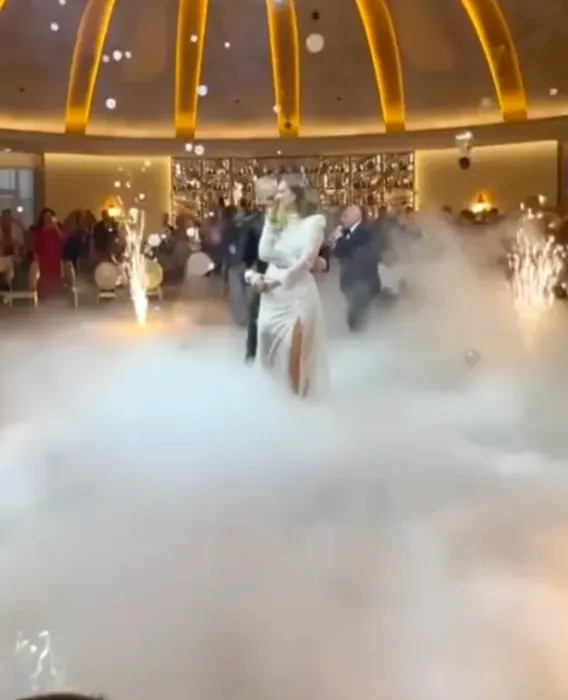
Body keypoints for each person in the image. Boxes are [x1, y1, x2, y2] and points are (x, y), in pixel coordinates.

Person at [252, 173, 328, 397]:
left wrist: (281, 279)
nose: (277, 196)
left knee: (295, 354)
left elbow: (307, 261)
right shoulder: (275, 220)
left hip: (298, 294)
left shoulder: (314, 222)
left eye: (282, 191)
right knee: (266, 349)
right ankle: (273, 399)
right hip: (272, 295)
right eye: (277, 191)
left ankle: (297, 402)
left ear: (296, 194)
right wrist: (271, 221)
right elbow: (264, 253)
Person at [238, 176, 277, 360]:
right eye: (266, 195)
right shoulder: (252, 224)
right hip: (264, 282)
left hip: (292, 283)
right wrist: (251, 276)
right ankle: (253, 359)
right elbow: (244, 259)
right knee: (257, 322)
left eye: (273, 193)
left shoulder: (295, 220)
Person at [332, 204, 380, 331]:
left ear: (355, 216)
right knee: (360, 320)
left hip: (363, 284)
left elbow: (346, 247)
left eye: (345, 216)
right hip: (351, 283)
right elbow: (338, 252)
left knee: (356, 322)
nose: (341, 219)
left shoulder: (365, 231)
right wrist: (336, 241)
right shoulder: (347, 232)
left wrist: (339, 239)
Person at [32, 208, 63, 295]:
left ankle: (56, 293)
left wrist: (55, 227)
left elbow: (62, 239)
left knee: (55, 276)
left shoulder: (57, 228)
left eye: (50, 216)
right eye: (46, 216)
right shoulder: (39, 230)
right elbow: (36, 244)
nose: (48, 218)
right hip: (44, 257)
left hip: (55, 257)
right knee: (44, 276)